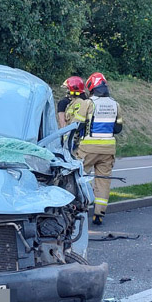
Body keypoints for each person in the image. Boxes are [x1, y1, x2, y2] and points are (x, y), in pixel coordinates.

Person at [75, 72, 123, 226]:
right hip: (108, 149)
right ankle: (99, 214)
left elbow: (77, 125)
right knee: (103, 180)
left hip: (88, 148)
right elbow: (118, 128)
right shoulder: (115, 104)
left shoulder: (88, 103)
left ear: (91, 87)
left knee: (79, 178)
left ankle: (78, 211)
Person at [56, 76, 87, 154]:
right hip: (82, 140)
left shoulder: (63, 103)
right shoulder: (87, 102)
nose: (67, 92)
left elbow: (62, 124)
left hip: (70, 140)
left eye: (68, 89)